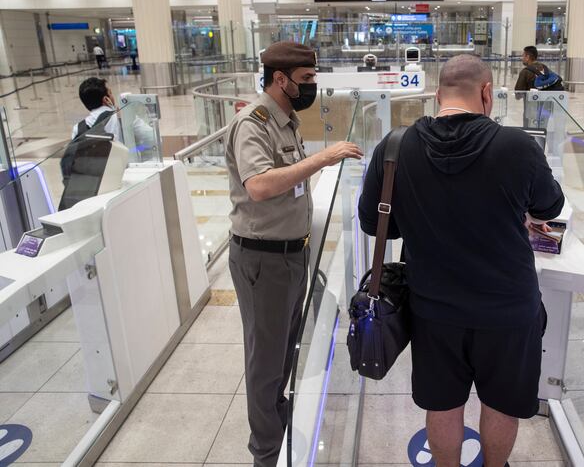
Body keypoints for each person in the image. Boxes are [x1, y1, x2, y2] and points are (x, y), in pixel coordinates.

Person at [358, 54, 565, 467]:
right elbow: (549, 206)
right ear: (487, 93)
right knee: (502, 404)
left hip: (433, 309)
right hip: (509, 308)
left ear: (438, 95)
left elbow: (374, 223)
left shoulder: (395, 147)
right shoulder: (517, 146)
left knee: (443, 405)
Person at [225, 41, 363, 467]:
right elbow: (261, 186)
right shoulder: (255, 122)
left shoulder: (284, 120)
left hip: (289, 255)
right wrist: (323, 158)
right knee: (265, 360)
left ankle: (277, 419)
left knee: (285, 349)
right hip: (261, 260)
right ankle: (265, 454)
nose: (311, 88)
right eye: (306, 81)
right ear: (279, 79)